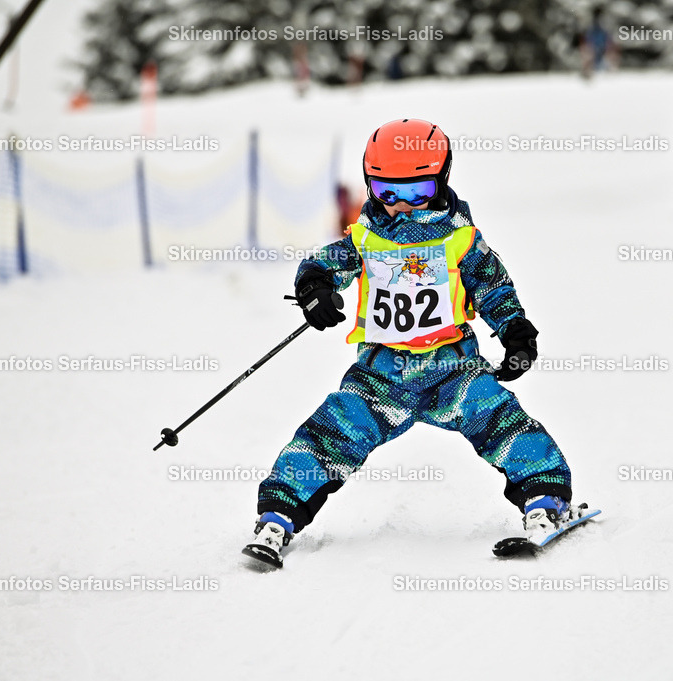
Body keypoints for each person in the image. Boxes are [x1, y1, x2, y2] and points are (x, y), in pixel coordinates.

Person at [245, 119, 578, 568]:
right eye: (386, 192)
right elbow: (322, 265)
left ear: (440, 183)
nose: (400, 204)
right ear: (370, 185)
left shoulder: (460, 239)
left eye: (417, 191)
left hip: (453, 370)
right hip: (380, 376)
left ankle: (545, 501)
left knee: (506, 424)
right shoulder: (365, 236)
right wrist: (316, 290)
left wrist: (515, 332)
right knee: (327, 436)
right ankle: (278, 518)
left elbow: (494, 289)